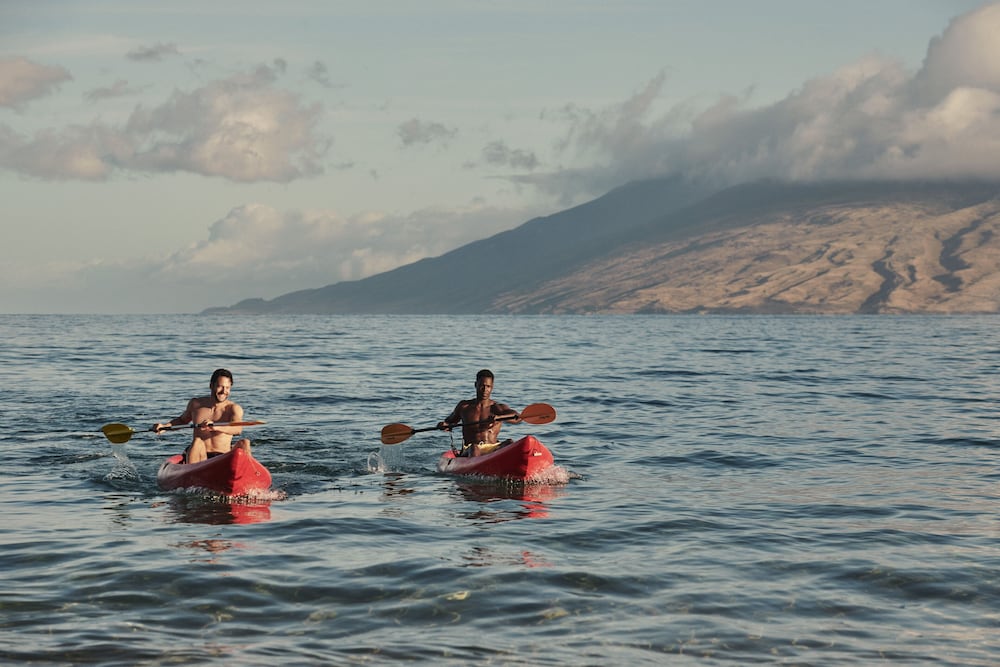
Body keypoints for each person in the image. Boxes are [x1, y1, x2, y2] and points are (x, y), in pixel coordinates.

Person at [153, 368, 252, 464]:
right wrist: (164, 427)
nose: (223, 391)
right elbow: (182, 421)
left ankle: (247, 475)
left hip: (222, 456)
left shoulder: (233, 408)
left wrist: (215, 427)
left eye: (227, 387)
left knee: (245, 442)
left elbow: (237, 429)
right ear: (211, 386)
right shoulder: (196, 404)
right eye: (220, 386)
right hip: (200, 456)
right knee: (197, 441)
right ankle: (191, 474)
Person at [438, 369, 521, 457]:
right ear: (475, 385)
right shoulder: (464, 406)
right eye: (482, 386)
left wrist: (499, 417)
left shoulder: (497, 408)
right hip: (470, 449)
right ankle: (475, 468)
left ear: (492, 387)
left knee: (509, 443)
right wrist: (443, 425)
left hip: (492, 448)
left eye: (488, 386)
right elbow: (449, 421)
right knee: (475, 448)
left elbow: (518, 417)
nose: (485, 390)